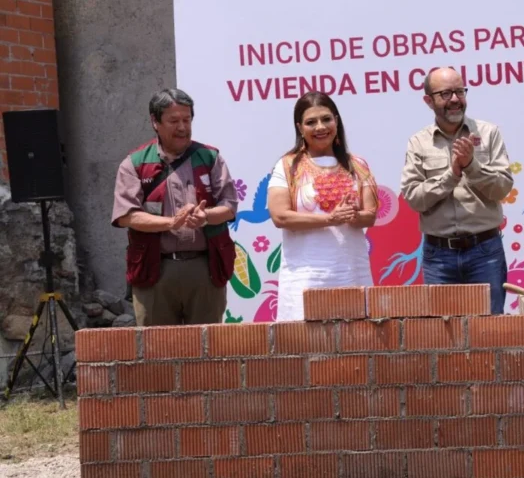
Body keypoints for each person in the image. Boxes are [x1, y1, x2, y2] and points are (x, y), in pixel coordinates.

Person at [111, 88, 239, 326]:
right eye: (174, 121)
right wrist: (170, 223)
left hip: (205, 269)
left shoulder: (209, 157)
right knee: (158, 350)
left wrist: (206, 217)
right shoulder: (135, 163)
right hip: (155, 269)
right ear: (155, 122)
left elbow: (230, 206)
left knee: (207, 351)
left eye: (187, 119)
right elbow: (126, 216)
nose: (182, 127)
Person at [400, 67, 514, 315]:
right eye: (445, 93)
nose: (454, 99)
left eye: (459, 91)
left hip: (485, 251)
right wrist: (451, 175)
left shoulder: (487, 133)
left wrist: (471, 166)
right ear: (428, 101)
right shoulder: (419, 143)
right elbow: (414, 199)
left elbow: (502, 188)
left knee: (490, 330)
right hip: (438, 256)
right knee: (442, 335)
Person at [267, 91, 379, 321]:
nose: (320, 127)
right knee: (304, 345)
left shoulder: (357, 165)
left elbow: (370, 215)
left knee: (356, 342)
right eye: (311, 122)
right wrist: (330, 219)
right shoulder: (288, 166)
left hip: (350, 272)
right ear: (300, 127)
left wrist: (353, 215)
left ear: (336, 121)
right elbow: (280, 217)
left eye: (326, 119)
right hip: (305, 275)